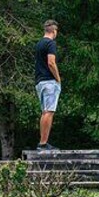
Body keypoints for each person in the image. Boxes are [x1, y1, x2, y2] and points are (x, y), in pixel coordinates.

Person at [35, 20, 61, 151]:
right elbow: (51, 62)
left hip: (39, 81)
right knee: (49, 112)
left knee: (45, 111)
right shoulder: (50, 43)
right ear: (54, 31)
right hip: (49, 81)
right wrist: (58, 78)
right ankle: (43, 143)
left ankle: (43, 141)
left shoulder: (39, 44)